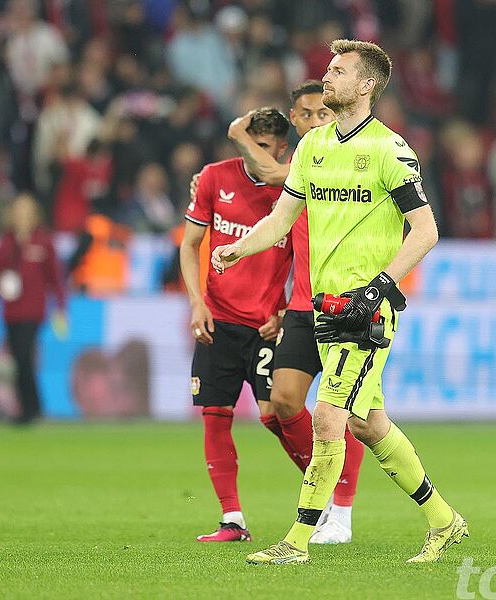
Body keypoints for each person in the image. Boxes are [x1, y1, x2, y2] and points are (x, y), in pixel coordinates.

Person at [212, 40, 467, 565]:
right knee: (367, 423)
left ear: (366, 85)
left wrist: (379, 287)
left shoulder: (389, 150)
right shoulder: (313, 147)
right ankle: (444, 521)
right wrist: (239, 248)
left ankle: (296, 542)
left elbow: (425, 230)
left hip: (366, 311)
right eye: (327, 69)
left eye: (339, 71)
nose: (326, 77)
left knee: (328, 417)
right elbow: (282, 219)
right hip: (322, 309)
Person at [224, 81, 364, 544]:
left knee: (353, 415)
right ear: (295, 119)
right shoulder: (304, 163)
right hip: (303, 306)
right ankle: (325, 492)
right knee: (283, 401)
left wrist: (239, 135)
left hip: (347, 305)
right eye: (307, 114)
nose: (317, 120)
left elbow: (267, 172)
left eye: (325, 112)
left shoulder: (344, 158)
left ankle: (340, 513)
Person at [180, 108, 293, 542]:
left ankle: (328, 502)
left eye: (263, 148)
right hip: (218, 319)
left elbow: (308, 258)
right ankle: (232, 519)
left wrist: (285, 312)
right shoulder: (214, 178)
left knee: (274, 415)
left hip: (266, 325)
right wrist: (197, 302)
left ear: (281, 149)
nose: (254, 156)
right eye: (249, 145)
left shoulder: (297, 190)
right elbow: (190, 245)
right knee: (215, 415)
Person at [0, 193, 67, 424]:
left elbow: (55, 279)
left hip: (34, 310)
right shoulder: (6, 243)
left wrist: (60, 307)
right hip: (11, 311)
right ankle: (29, 408)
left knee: (25, 357)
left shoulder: (43, 242)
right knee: (18, 360)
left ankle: (31, 409)